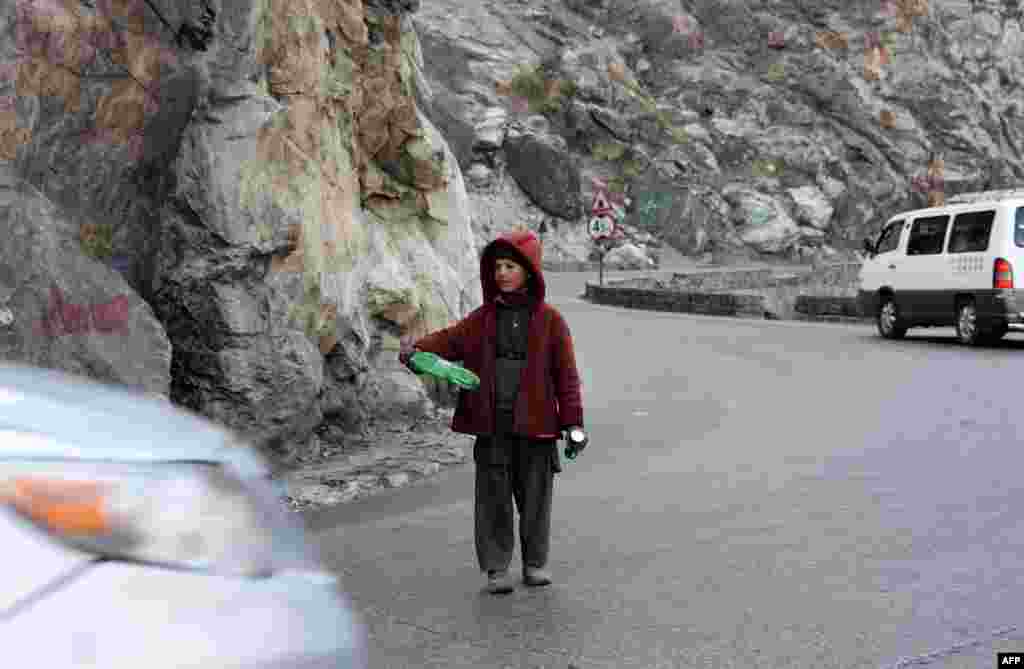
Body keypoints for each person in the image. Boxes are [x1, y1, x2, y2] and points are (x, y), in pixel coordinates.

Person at [399, 230, 588, 595]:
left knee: (535, 499)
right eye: (497, 266)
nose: (502, 272)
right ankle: (496, 568)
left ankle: (535, 564)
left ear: (529, 271)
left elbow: (566, 377)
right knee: (493, 498)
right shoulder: (482, 319)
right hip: (492, 424)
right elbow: (449, 340)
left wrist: (574, 424)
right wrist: (415, 350)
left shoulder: (551, 321)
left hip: (537, 427)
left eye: (510, 266)